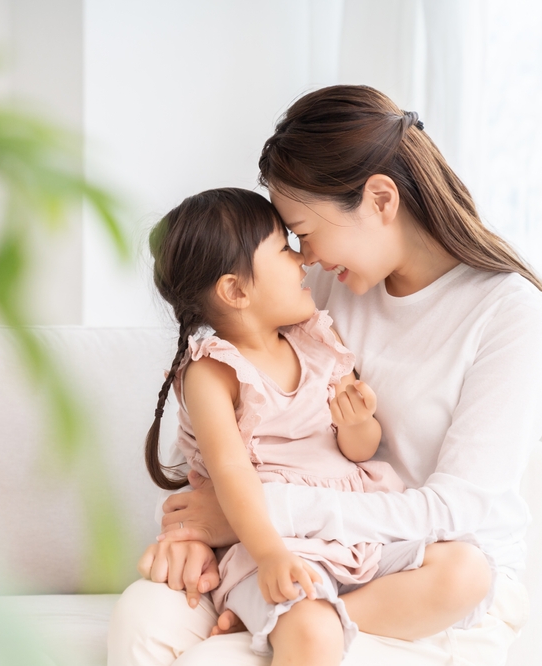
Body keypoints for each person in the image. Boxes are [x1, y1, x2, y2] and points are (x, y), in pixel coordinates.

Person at [108, 85, 542, 665]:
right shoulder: (318, 287)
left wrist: (261, 515)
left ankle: (296, 623)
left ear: (380, 200)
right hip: (290, 547)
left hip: (421, 569)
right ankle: (286, 616)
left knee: (236, 653)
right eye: (290, 242)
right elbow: (227, 443)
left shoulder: (510, 313)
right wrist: (194, 533)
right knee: (143, 616)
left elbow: (458, 509)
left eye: (303, 231)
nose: (304, 256)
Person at [142, 187, 465, 663]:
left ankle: (319, 615)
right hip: (274, 545)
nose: (303, 261)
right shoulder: (213, 373)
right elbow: (231, 474)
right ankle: (304, 619)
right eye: (284, 249)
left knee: (465, 570)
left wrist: (357, 424)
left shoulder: (317, 340)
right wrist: (270, 555)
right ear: (236, 290)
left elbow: (360, 452)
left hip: (352, 528)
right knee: (311, 631)